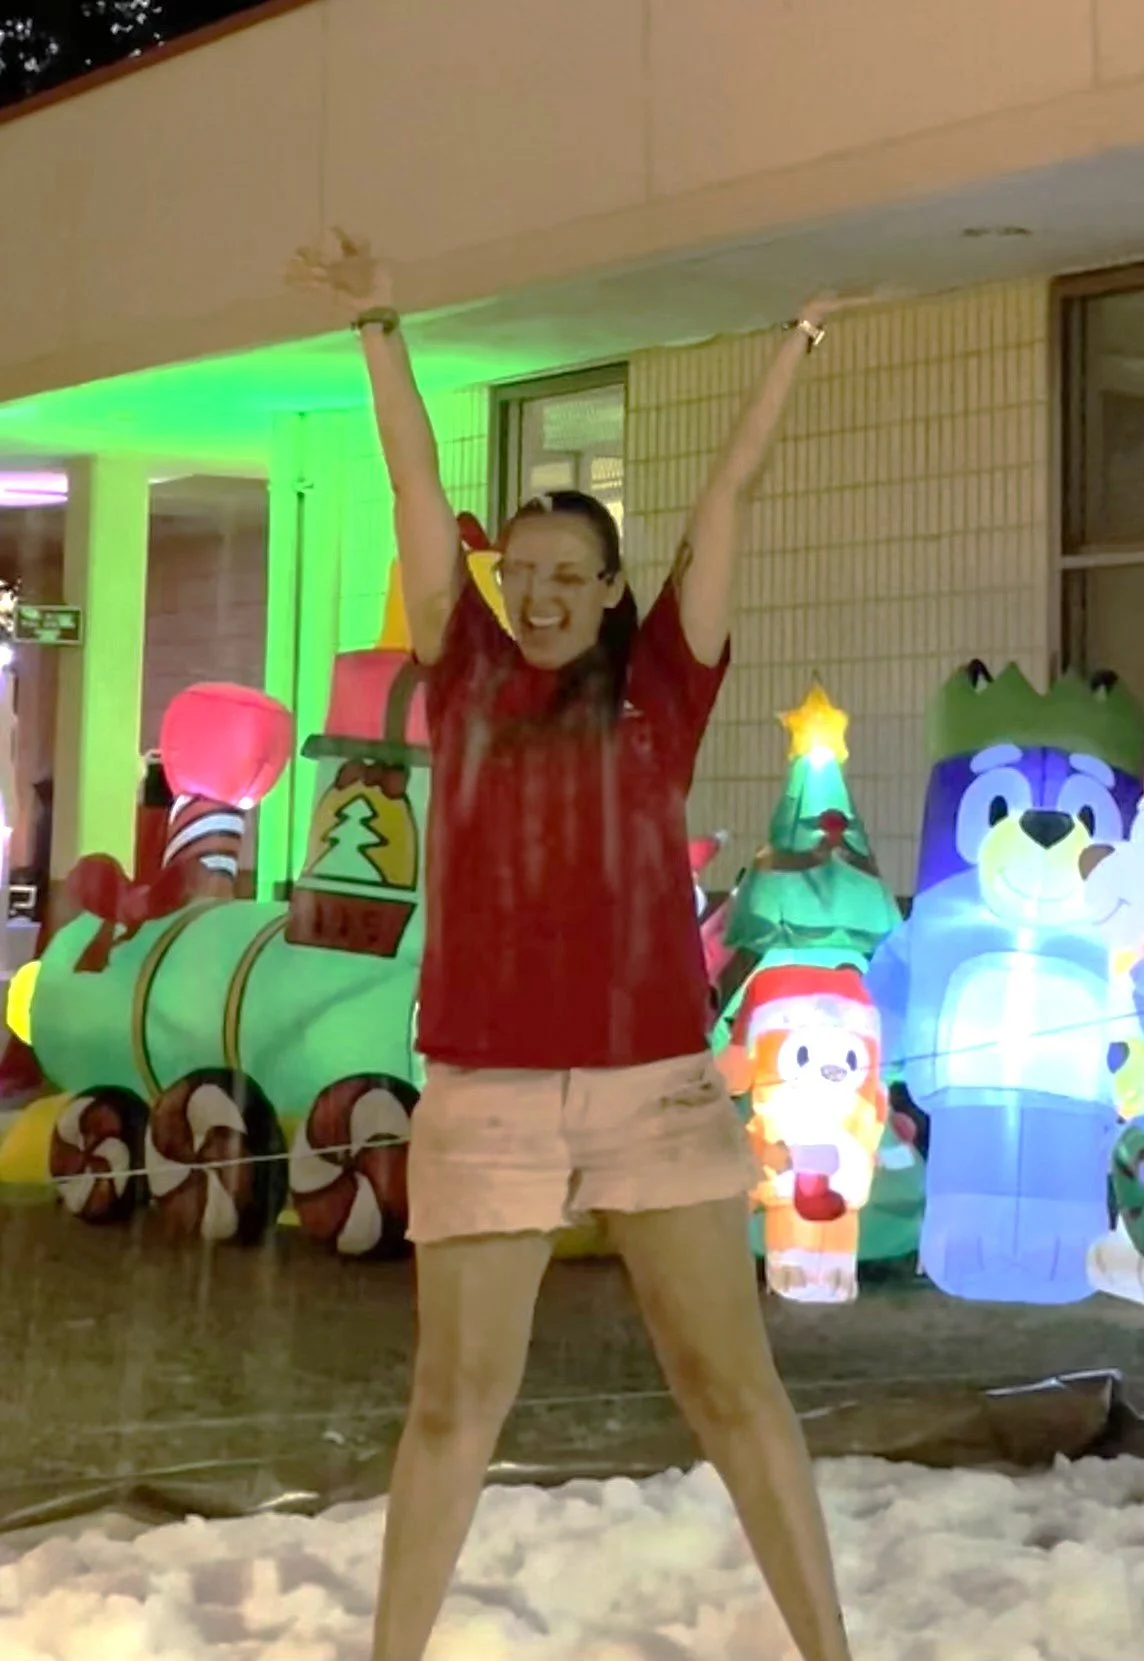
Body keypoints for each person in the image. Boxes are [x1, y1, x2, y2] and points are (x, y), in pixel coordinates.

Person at [289, 229, 876, 1661]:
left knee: (726, 1384)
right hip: (484, 1093)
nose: (541, 591)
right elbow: (416, 488)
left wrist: (791, 346)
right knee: (453, 1404)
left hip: (655, 1087)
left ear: (613, 589)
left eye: (571, 572)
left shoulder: (661, 686)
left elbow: (726, 498)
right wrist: (382, 323)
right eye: (525, 571)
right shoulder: (466, 668)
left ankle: (831, 1653)